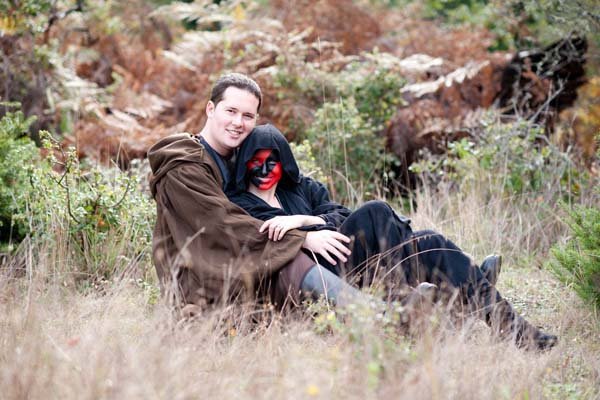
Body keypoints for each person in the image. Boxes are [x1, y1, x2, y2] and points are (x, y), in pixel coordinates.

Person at [227, 123, 558, 350]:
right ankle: (428, 297)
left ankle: (512, 328)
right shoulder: (241, 202)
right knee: (374, 211)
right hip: (319, 282)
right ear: (245, 164)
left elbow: (340, 214)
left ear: (284, 163)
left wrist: (302, 218)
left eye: (273, 161)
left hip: (354, 265)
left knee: (430, 242)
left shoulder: (302, 189)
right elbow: (264, 238)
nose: (265, 168)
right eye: (256, 161)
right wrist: (307, 235)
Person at [147, 73, 359, 311]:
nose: (238, 122)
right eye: (231, 111)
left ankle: (397, 300)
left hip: (241, 266)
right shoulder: (184, 167)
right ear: (210, 109)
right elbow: (221, 224)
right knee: (290, 260)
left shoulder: (239, 162)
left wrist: (307, 220)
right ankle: (372, 313)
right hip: (201, 284)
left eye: (247, 116)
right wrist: (303, 238)